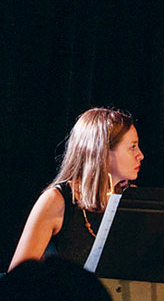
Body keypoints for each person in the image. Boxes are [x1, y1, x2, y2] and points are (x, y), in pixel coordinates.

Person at [9, 107, 143, 271]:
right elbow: (18, 276)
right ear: (102, 151)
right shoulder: (56, 200)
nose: (140, 155)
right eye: (132, 147)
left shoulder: (132, 199)